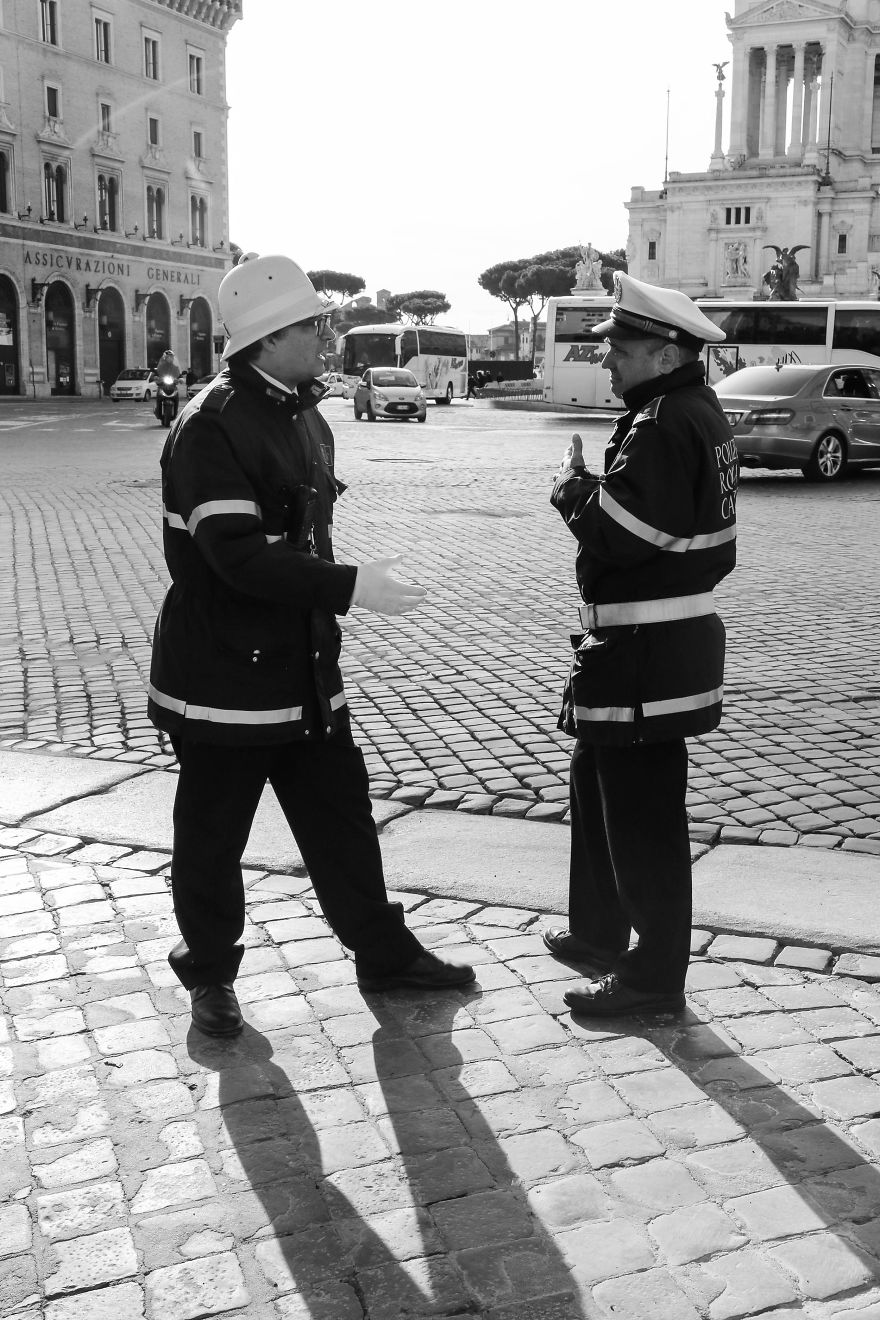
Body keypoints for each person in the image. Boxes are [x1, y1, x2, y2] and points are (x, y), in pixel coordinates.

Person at [147, 253, 475, 1037]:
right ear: (268, 338)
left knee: (343, 822)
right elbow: (238, 557)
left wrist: (331, 596)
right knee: (212, 838)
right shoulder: (213, 426)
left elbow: (302, 536)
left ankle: (383, 953)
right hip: (223, 675)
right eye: (313, 325)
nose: (327, 334)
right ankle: (209, 977)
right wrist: (350, 587)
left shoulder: (303, 412)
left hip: (303, 667)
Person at [543, 271, 737, 1018]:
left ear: (662, 351)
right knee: (597, 788)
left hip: (646, 650)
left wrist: (571, 490)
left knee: (643, 820)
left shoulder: (662, 422)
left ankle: (653, 979)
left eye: (618, 348)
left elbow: (623, 536)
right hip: (652, 643)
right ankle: (599, 934)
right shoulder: (690, 408)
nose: (606, 360)